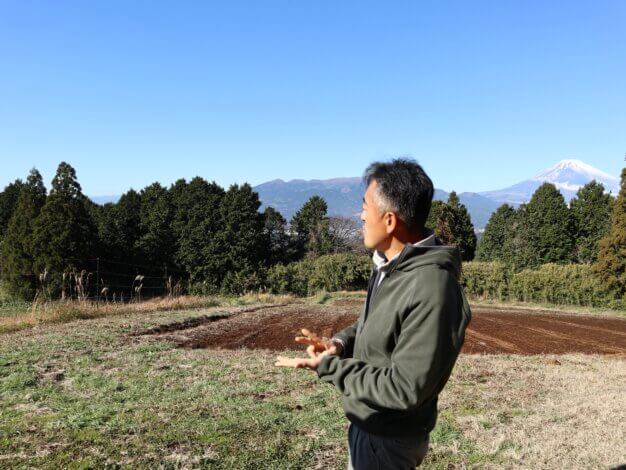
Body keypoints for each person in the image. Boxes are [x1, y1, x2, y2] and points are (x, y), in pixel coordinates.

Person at [275, 158, 472, 469]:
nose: (361, 215)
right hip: (371, 426)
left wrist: (329, 367)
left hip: (388, 441)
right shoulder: (392, 266)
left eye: (365, 206)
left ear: (390, 220)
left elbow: (404, 388)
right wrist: (338, 344)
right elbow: (374, 324)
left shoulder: (431, 287)